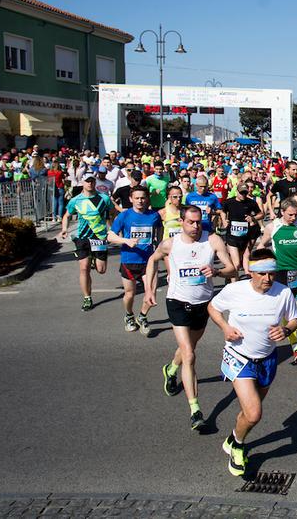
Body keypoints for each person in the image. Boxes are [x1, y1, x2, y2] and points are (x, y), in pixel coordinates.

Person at [207, 248, 297, 477]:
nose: (268, 278)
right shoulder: (234, 290)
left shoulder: (283, 293)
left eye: (271, 273)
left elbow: (296, 318)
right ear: (251, 272)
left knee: (249, 412)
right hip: (239, 357)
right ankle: (238, 448)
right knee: (254, 413)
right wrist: (225, 328)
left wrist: (286, 329)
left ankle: (233, 438)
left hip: (268, 359)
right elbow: (213, 307)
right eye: (263, 273)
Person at [143, 205, 237, 431]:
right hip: (177, 302)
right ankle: (195, 410)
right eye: (190, 222)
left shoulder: (212, 241)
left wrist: (215, 272)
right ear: (181, 222)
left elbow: (232, 269)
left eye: (198, 222)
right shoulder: (171, 244)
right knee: (189, 353)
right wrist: (149, 289)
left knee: (188, 348)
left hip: (203, 304)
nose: (195, 227)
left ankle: (171, 369)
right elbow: (152, 260)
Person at [257, 197, 297, 365]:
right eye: (290, 215)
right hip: (279, 271)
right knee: (285, 307)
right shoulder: (273, 226)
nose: (293, 217)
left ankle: (288, 334)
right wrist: (262, 261)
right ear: (282, 212)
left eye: (296, 214)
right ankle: (295, 347)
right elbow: (261, 246)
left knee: (289, 308)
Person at [108, 185, 163, 335]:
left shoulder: (154, 216)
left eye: (143, 198)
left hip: (149, 261)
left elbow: (159, 229)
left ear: (147, 199)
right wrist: (126, 240)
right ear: (131, 199)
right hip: (129, 260)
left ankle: (143, 316)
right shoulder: (124, 216)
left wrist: (158, 244)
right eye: (137, 198)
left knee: (151, 293)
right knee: (130, 294)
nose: (140, 201)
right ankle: (129, 315)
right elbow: (110, 236)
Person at [60, 175, 114, 311]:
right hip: (82, 238)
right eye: (87, 181)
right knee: (84, 268)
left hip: (99, 237)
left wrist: (113, 228)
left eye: (92, 181)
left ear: (95, 182)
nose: (90, 183)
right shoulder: (75, 200)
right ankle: (87, 298)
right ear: (82, 182)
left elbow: (111, 213)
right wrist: (64, 229)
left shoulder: (104, 198)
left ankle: (95, 260)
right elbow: (66, 215)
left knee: (101, 270)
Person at [222, 180, 264, 280]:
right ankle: (233, 285)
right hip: (232, 236)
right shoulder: (229, 202)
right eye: (241, 193)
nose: (243, 195)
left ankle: (232, 276)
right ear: (237, 192)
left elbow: (261, 214)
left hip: (245, 236)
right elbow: (222, 211)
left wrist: (253, 218)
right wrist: (224, 220)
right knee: (236, 263)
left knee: (244, 257)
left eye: (245, 193)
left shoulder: (251, 202)